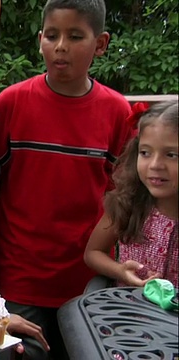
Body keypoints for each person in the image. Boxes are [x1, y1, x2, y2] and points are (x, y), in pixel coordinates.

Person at [0, 0, 134, 358]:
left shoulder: (116, 112)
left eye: (75, 36)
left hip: (87, 278)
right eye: (52, 35)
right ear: (40, 39)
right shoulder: (12, 103)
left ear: (101, 43)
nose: (60, 46)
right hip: (20, 276)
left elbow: (121, 196)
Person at [85, 100, 178, 288]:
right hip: (130, 315)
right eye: (145, 152)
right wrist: (120, 271)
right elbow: (93, 252)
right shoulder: (128, 203)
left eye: (171, 155)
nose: (155, 165)